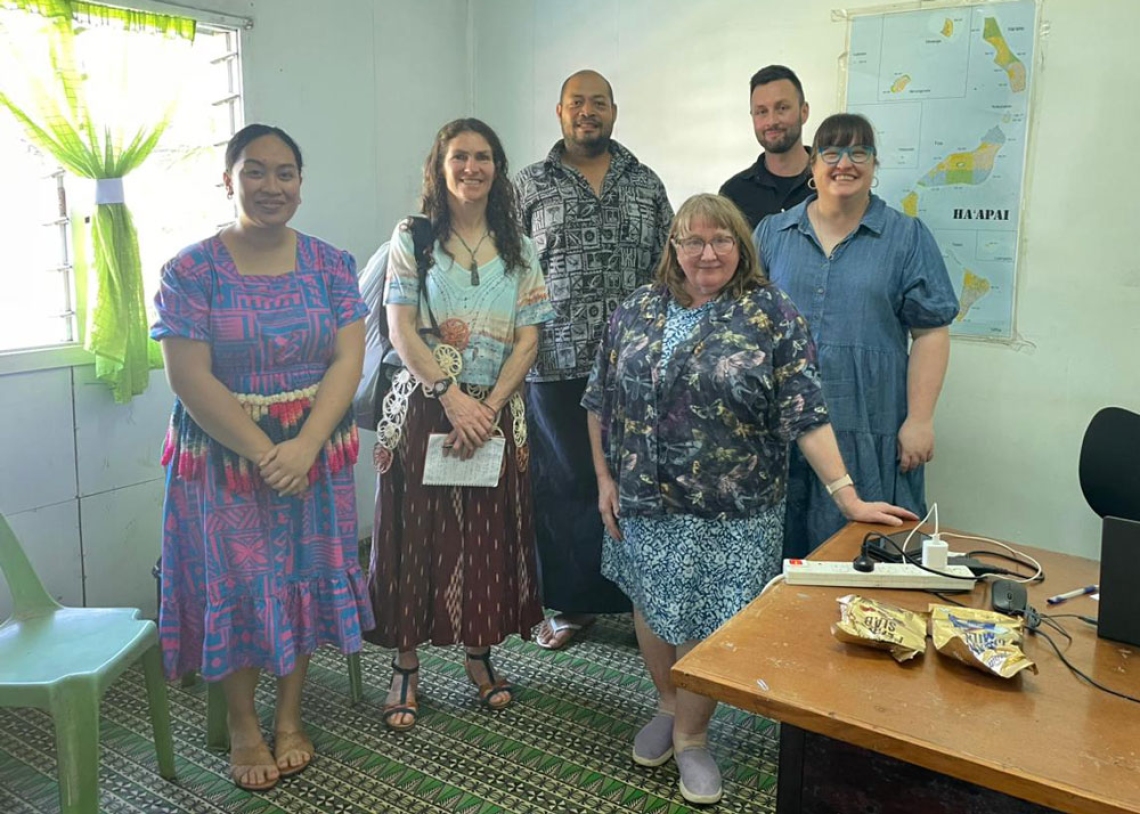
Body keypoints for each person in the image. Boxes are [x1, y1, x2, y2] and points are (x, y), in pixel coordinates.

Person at [584, 192, 916, 805]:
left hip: (732, 509)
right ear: (674, 248)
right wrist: (604, 479)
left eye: (721, 240)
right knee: (651, 606)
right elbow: (600, 399)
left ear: (741, 246)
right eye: (693, 240)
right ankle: (667, 705)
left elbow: (806, 413)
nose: (707, 253)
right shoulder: (637, 308)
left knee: (705, 619)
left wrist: (847, 497)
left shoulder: (771, 313)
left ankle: (692, 736)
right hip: (641, 498)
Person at [152, 124, 374, 792]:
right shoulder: (190, 271)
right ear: (229, 180)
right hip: (224, 459)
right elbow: (189, 377)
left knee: (302, 577)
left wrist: (304, 446)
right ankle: (244, 725)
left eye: (285, 173)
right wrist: (265, 453)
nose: (271, 185)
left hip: (315, 452)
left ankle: (290, 717)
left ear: (301, 184)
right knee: (239, 584)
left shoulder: (332, 264)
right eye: (255, 171)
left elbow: (349, 359)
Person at [366, 118, 556, 731]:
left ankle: (479, 654)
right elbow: (399, 327)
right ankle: (405, 664)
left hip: (495, 411)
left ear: (497, 168)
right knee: (414, 537)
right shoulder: (414, 237)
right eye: (459, 156)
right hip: (428, 406)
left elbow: (529, 339)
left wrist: (490, 407)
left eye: (483, 157)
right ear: (439, 166)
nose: (471, 167)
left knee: (483, 537)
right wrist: (451, 399)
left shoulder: (520, 246)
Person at [516, 69, 673, 650]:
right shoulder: (528, 185)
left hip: (635, 367)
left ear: (614, 111)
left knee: (636, 481)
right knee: (565, 484)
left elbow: (669, 268)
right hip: (553, 361)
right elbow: (509, 270)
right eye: (577, 102)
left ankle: (640, 600)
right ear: (560, 112)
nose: (588, 111)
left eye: (599, 102)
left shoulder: (645, 182)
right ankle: (574, 604)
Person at [755, 113, 958, 559]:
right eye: (831, 153)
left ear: (873, 164)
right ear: (812, 165)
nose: (844, 163)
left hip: (871, 425)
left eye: (859, 152)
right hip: (782, 433)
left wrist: (920, 420)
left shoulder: (906, 237)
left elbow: (931, 332)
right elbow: (743, 329)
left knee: (866, 558)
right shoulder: (773, 233)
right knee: (778, 561)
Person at [719, 65, 813, 229]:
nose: (772, 121)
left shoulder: (833, 184)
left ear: (804, 112)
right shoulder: (733, 195)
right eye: (762, 112)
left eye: (782, 108)